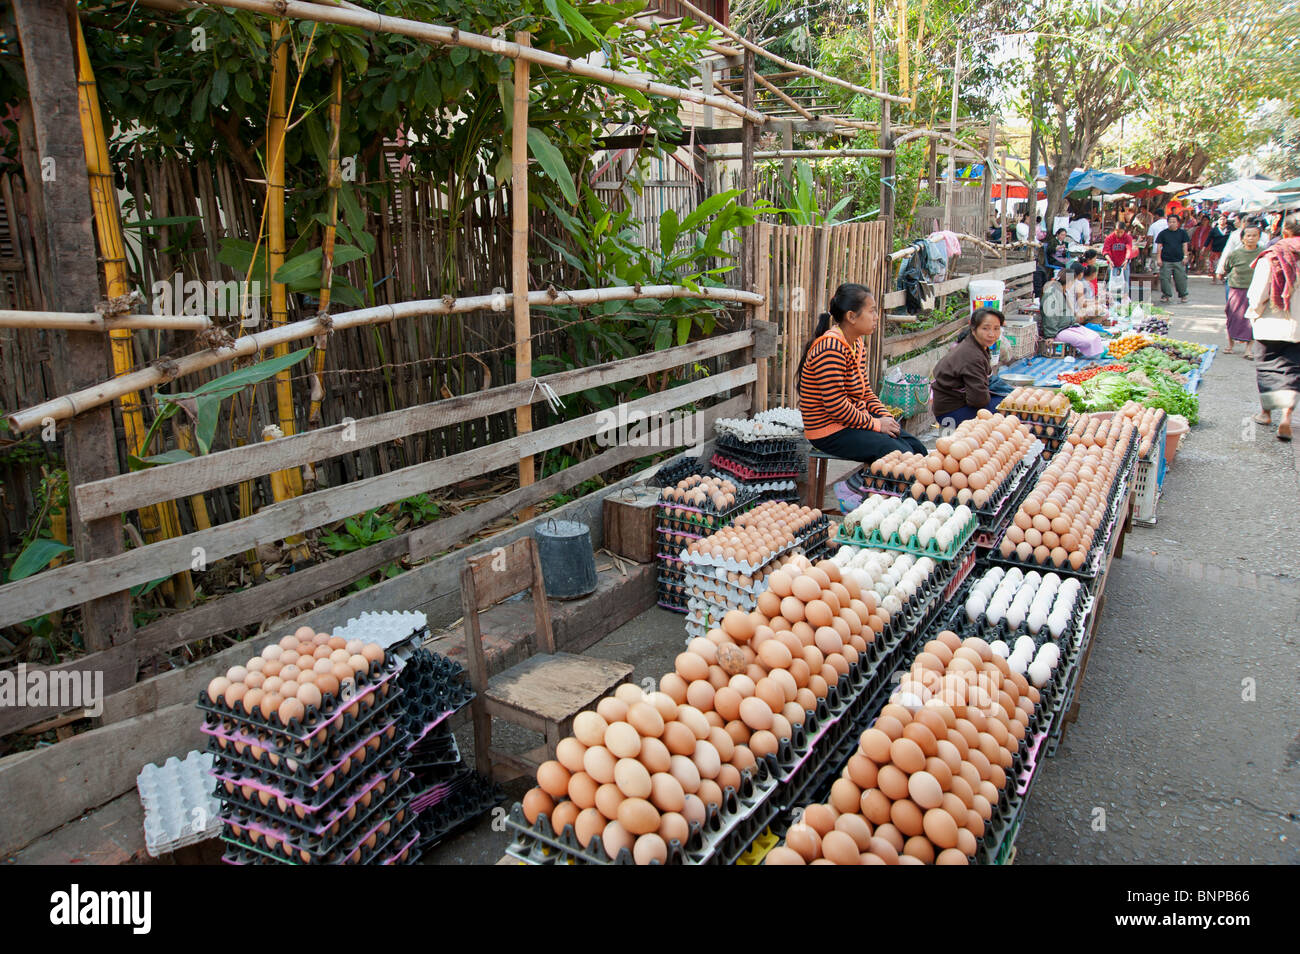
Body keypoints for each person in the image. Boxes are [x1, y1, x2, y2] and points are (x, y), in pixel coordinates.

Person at [798, 283, 926, 462]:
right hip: (829, 430)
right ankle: (854, 486)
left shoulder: (857, 345)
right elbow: (837, 407)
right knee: (901, 455)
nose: (876, 317)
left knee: (917, 448)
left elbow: (866, 393)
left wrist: (885, 417)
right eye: (872, 311)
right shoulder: (830, 348)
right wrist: (876, 424)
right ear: (851, 316)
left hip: (852, 421)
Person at [1246, 215, 1300, 441]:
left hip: (1270, 322)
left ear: (1284, 231)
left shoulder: (1271, 256)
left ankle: (1266, 413)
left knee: (1267, 369)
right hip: (1297, 326)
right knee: (1292, 371)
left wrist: (1254, 313)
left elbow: (1258, 293)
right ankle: (1287, 416)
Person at [931, 308, 1008, 428]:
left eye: (996, 329)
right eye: (985, 328)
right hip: (951, 413)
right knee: (1008, 407)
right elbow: (978, 400)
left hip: (953, 405)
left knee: (1007, 397)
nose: (992, 334)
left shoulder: (976, 345)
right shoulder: (972, 355)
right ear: (973, 328)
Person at [1219, 223, 1261, 355]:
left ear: (1259, 237)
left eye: (1254, 235)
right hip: (1236, 289)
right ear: (1242, 238)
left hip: (1254, 290)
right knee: (1232, 316)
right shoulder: (1235, 254)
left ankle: (1248, 349)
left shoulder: (1263, 253)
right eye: (1248, 235)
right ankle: (1230, 344)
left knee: (1252, 318)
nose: (1251, 238)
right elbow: (1227, 268)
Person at [1154, 213, 1191, 303]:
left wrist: (1185, 256)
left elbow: (1185, 245)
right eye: (1170, 222)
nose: (1172, 223)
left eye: (1174, 222)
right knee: (1164, 279)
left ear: (1178, 223)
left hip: (1179, 260)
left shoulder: (1182, 233)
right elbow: (1159, 246)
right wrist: (1158, 258)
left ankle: (1183, 295)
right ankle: (1166, 295)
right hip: (1166, 260)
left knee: (1181, 278)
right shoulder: (1163, 233)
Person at [1103, 221, 1135, 296]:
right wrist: (1109, 260)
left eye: (1121, 232)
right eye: (1117, 232)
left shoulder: (1128, 238)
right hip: (1112, 263)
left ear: (1124, 231)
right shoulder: (1109, 238)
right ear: (1114, 230)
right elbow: (1105, 250)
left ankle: (1125, 298)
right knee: (1112, 283)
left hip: (1124, 263)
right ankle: (1112, 298)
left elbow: (1129, 249)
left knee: (1125, 281)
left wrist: (1126, 259)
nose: (1119, 234)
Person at [1208, 213, 1233, 282]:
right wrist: (1204, 247)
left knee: (1224, 264)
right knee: (1214, 264)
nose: (1222, 220)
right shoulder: (1214, 230)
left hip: (1225, 250)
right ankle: (1214, 278)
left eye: (1224, 219)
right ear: (1218, 221)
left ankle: (1222, 277)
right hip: (1215, 249)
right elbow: (1209, 239)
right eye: (1221, 219)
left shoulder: (1230, 229)